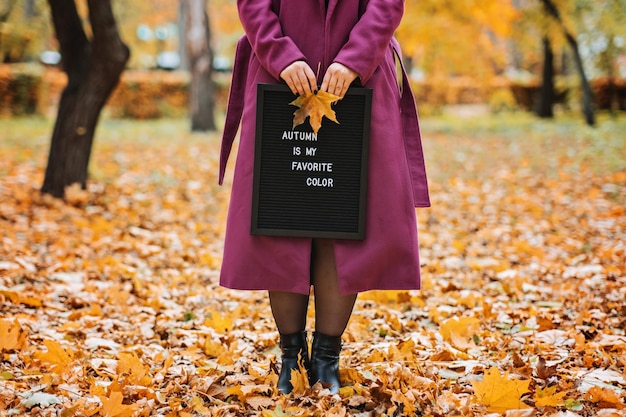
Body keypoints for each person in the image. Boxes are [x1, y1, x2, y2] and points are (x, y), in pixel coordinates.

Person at [218, 0, 430, 395]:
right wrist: (280, 54)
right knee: (280, 221)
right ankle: (291, 359)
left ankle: (326, 359)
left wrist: (354, 59)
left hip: (360, 83)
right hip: (277, 81)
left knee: (344, 222)